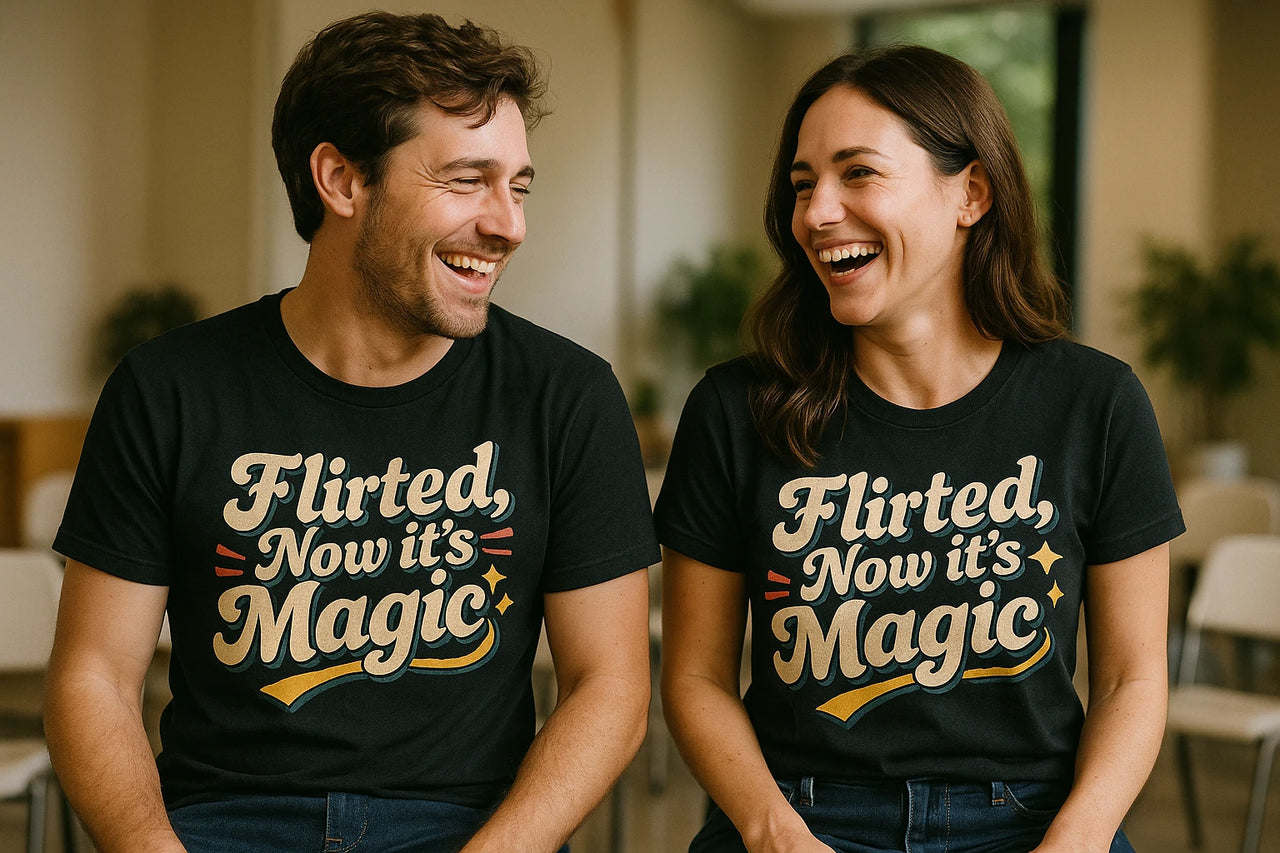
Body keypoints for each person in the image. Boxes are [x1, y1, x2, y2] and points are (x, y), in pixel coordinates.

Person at [44, 11, 658, 853]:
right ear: (340, 179)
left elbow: (610, 685)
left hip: (472, 830)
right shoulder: (167, 390)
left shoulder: (567, 396)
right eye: (467, 180)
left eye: (518, 187)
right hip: (223, 827)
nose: (509, 224)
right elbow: (94, 677)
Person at [655, 44, 1182, 853]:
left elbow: (1130, 679)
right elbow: (695, 676)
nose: (817, 213)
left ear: (972, 192)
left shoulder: (1097, 404)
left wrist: (1076, 838)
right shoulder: (734, 410)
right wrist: (771, 829)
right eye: (803, 184)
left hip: (1036, 817)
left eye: (858, 173)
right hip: (795, 812)